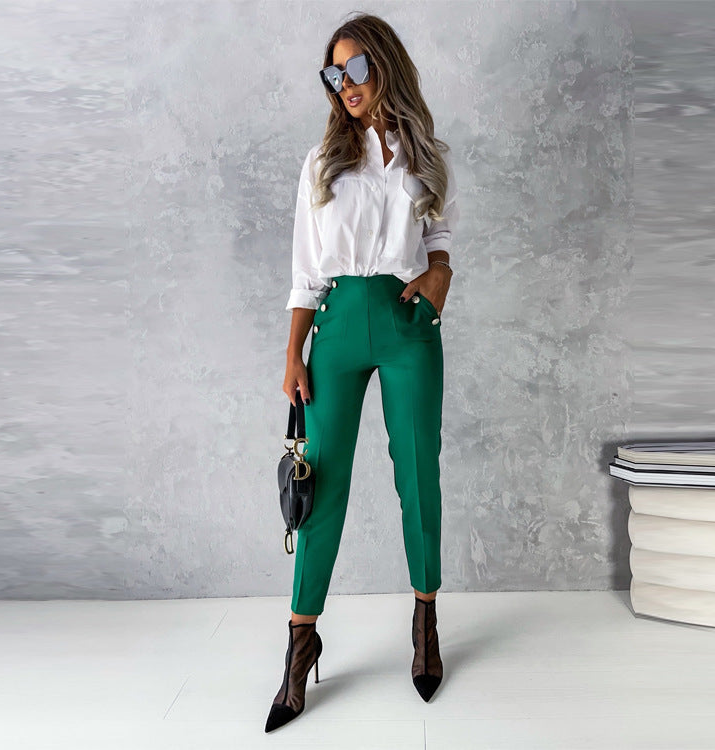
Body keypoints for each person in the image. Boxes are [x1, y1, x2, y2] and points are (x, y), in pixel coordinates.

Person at [266, 12, 460, 733]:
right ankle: (300, 643)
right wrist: (293, 354)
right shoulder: (322, 162)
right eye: (333, 73)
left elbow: (440, 236)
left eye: (355, 68)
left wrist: (440, 277)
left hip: (408, 326)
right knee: (321, 480)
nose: (344, 84)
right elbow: (304, 271)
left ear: (384, 65)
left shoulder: (426, 153)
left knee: (418, 473)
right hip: (338, 325)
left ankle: (426, 624)